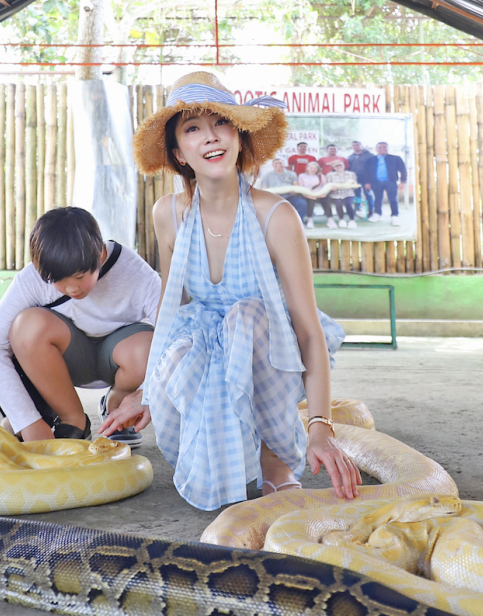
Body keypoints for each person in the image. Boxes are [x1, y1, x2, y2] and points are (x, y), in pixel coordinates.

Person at [102, 71, 360, 511]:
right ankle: (229, 460)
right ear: (179, 153)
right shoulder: (169, 213)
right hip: (209, 349)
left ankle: (276, 462)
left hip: (270, 348)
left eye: (220, 123)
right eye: (192, 129)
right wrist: (147, 390)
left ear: (239, 136)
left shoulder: (275, 216)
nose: (210, 138)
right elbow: (169, 311)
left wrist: (320, 425)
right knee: (186, 341)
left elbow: (308, 331)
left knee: (244, 319)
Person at [0, 207, 160, 447]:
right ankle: (72, 422)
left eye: (80, 276)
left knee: (147, 346)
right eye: (58, 282)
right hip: (63, 362)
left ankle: (117, 410)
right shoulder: (35, 277)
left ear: (100, 253)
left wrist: (147, 394)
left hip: (119, 360)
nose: (72, 289)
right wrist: (28, 423)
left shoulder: (136, 273)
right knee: (26, 326)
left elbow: (177, 338)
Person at [367, 141, 407, 225]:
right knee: (377, 199)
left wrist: (403, 181)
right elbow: (367, 172)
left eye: (384, 147)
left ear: (388, 148)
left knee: (393, 199)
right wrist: (367, 182)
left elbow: (403, 170)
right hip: (376, 182)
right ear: (376, 149)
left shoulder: (395, 158)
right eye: (380, 147)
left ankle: (395, 216)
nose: (382, 149)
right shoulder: (371, 160)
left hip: (391, 182)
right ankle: (377, 214)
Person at [297, 160, 333, 229]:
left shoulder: (321, 176)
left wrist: (322, 193)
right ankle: (310, 219)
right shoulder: (302, 176)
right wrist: (308, 194)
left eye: (314, 168)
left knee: (326, 200)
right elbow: (301, 187)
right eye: (311, 167)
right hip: (307, 194)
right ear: (307, 168)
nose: (312, 169)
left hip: (320, 194)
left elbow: (324, 186)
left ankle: (330, 219)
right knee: (309, 201)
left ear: (317, 169)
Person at [326, 160, 359, 228]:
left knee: (348, 204)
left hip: (348, 193)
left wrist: (351, 185)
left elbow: (355, 184)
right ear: (334, 167)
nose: (339, 167)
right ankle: (341, 219)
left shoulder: (351, 174)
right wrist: (332, 188)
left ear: (344, 166)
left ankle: (352, 220)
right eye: (336, 166)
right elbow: (328, 185)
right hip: (335, 194)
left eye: (340, 165)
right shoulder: (330, 175)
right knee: (338, 203)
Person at [347, 140, 375, 216]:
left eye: (358, 145)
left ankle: (371, 211)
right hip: (354, 178)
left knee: (368, 193)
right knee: (356, 194)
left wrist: (369, 180)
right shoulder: (350, 157)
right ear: (352, 147)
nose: (356, 147)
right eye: (354, 145)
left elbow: (373, 168)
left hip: (366, 178)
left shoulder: (369, 155)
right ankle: (358, 209)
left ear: (361, 146)